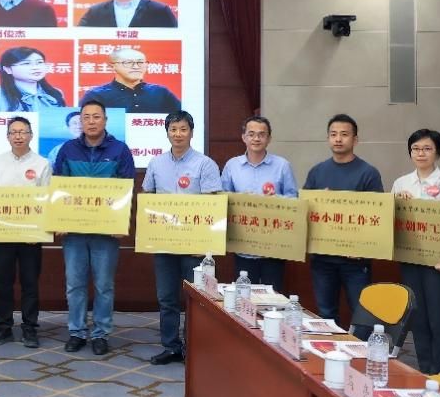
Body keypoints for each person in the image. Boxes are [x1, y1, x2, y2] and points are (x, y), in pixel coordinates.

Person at [52, 99, 135, 355]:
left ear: (105, 120)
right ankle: (77, 332)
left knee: (104, 285)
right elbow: (58, 186)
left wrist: (122, 222)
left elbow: (127, 190)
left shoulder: (120, 150)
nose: (91, 121)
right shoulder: (68, 149)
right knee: (74, 284)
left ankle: (100, 333)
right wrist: (59, 220)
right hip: (74, 232)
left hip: (106, 232)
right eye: (86, 117)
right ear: (80, 121)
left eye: (96, 117)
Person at [142, 110, 222, 365]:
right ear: (167, 132)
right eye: (173, 129)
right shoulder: (156, 163)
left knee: (195, 299)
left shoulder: (205, 164)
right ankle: (171, 346)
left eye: (183, 129)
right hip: (164, 243)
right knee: (167, 298)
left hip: (194, 245)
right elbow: (148, 199)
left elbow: (212, 206)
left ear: (191, 132)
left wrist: (207, 245)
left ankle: (194, 347)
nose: (178, 134)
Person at [391, 129, 440, 375]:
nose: (420, 153)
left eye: (427, 148)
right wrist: (397, 203)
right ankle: (424, 370)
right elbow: (392, 221)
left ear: (438, 152)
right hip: (411, 259)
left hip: (439, 264)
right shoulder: (401, 183)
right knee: (418, 318)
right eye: (415, 149)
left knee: (438, 320)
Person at [303, 114, 384, 321]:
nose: (338, 139)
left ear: (355, 140)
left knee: (363, 316)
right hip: (322, 258)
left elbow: (377, 217)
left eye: (344, 134)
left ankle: (361, 344)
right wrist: (319, 202)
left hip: (355, 260)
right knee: (326, 314)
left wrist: (363, 249)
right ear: (328, 138)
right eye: (333, 134)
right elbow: (304, 211)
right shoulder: (317, 172)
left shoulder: (368, 173)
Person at [0, 116, 52, 348]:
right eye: (14, 132)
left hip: (31, 237)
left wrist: (38, 232)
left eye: (23, 132)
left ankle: (30, 328)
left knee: (30, 283)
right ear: (8, 137)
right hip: (2, 235)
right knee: (4, 282)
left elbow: (48, 200)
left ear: (31, 135)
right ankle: (3, 328)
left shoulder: (42, 163)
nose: (18, 136)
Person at [220, 116, 299, 291]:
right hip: (243, 246)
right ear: (243, 137)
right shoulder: (232, 166)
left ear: (269, 138)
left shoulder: (282, 166)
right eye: (251, 134)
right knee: (244, 298)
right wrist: (241, 200)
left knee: (273, 297)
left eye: (262, 135)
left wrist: (276, 201)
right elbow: (222, 200)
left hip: (273, 247)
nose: (256, 138)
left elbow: (294, 201)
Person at [80, 47, 181, 113]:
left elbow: (181, 119)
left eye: (140, 63)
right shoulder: (96, 95)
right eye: (128, 63)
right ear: (113, 66)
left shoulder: (161, 92)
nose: (136, 67)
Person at [0, 47, 67, 112]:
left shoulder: (55, 93)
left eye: (39, 62)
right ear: (8, 69)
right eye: (26, 63)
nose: (35, 67)